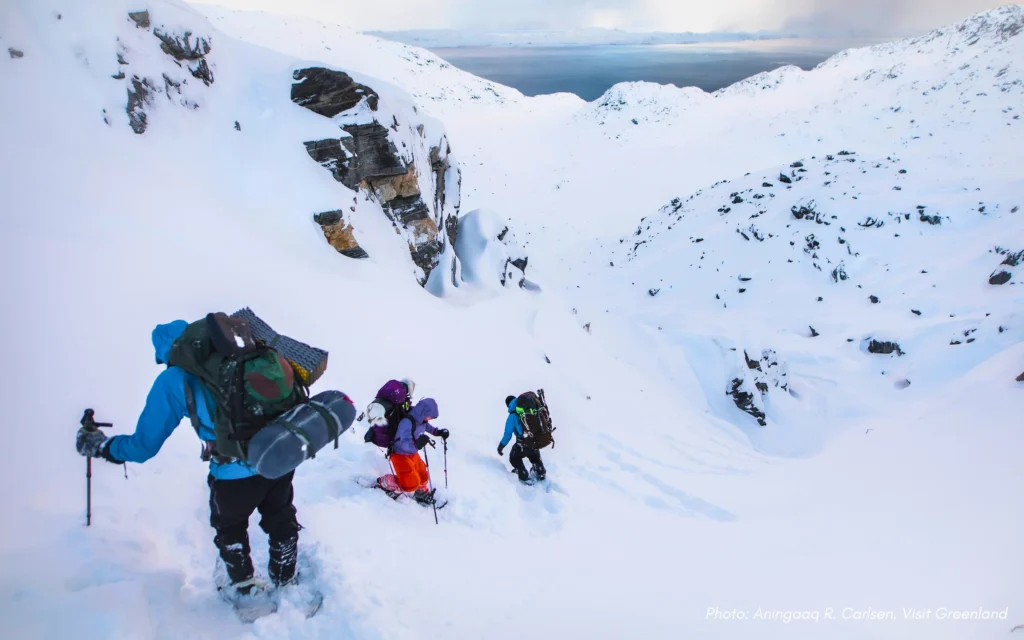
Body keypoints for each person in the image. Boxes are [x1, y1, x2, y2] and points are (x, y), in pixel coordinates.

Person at [74, 321, 302, 599]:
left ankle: (245, 591)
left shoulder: (173, 380)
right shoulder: (240, 355)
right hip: (277, 456)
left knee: (230, 529)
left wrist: (103, 447)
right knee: (280, 516)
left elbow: (143, 447)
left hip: (233, 471)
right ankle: (286, 579)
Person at [374, 395, 449, 506]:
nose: (430, 419)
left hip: (412, 452)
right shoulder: (406, 422)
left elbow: (428, 428)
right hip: (399, 454)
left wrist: (439, 432)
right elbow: (404, 443)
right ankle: (384, 482)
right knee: (410, 484)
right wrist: (417, 445)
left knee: (423, 476)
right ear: (423, 412)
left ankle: (420, 493)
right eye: (430, 417)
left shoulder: (421, 420)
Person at [498, 394, 547, 483]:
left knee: (513, 457)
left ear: (508, 405)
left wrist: (501, 447)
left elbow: (508, 435)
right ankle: (540, 471)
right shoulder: (528, 407)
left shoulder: (512, 415)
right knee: (534, 453)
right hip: (535, 440)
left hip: (523, 443)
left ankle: (523, 474)